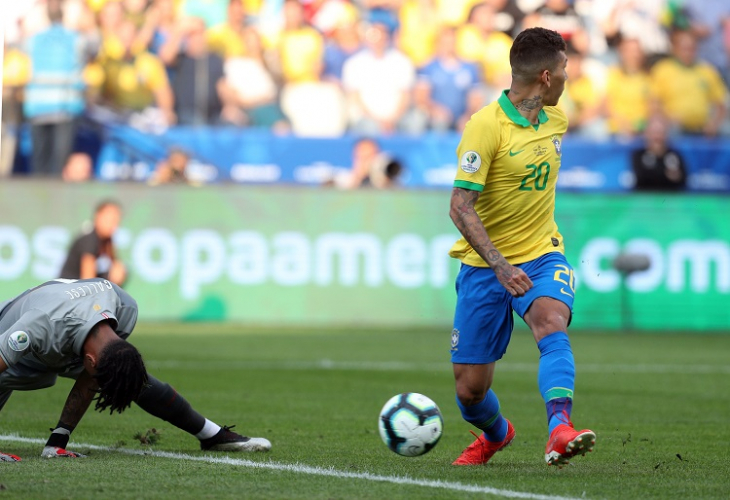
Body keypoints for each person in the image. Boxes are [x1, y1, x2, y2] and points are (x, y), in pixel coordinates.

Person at [448, 27, 595, 468]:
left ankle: (559, 429)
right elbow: (459, 207)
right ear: (546, 76)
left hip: (542, 253)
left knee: (551, 322)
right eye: (565, 69)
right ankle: (497, 433)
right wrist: (500, 266)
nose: (568, 77)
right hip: (486, 266)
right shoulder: (485, 127)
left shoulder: (556, 120)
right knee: (470, 392)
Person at [0, 278, 271, 462]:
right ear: (91, 361)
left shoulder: (125, 308)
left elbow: (94, 374)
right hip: (18, 340)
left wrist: (57, 442)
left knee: (129, 379)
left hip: (70, 341)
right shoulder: (39, 325)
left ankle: (212, 435)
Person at [59, 200, 127, 286]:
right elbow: (87, 280)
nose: (113, 225)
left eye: (116, 221)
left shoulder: (106, 240)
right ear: (97, 216)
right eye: (110, 220)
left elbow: (116, 267)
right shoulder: (90, 239)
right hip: (70, 290)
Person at [630, 116, 687, 191]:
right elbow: (640, 178)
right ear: (647, 134)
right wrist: (665, 174)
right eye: (654, 133)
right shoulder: (638, 155)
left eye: (661, 133)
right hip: (646, 196)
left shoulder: (674, 155)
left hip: (669, 196)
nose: (657, 137)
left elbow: (683, 179)